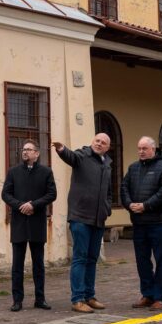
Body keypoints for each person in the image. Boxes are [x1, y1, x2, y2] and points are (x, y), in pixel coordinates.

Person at [54, 133, 113, 314]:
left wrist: (107, 209)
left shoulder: (107, 164)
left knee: (92, 259)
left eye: (103, 143)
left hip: (98, 219)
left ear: (107, 147)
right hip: (80, 217)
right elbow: (70, 156)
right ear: (92, 141)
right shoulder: (83, 155)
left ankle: (89, 296)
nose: (99, 144)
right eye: (97, 140)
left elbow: (108, 192)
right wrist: (61, 149)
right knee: (80, 258)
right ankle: (77, 299)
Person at [2, 139, 57, 312]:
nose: (25, 152)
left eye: (29, 149)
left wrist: (34, 204)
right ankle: (17, 300)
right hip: (19, 223)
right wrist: (20, 205)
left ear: (37, 153)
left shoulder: (46, 172)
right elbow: (5, 194)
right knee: (17, 265)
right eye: (23, 149)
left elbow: (51, 194)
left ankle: (40, 299)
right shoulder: (13, 172)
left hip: (36, 223)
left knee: (38, 264)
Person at [121, 136, 162, 311]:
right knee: (142, 260)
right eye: (139, 148)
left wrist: (146, 205)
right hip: (139, 223)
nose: (141, 152)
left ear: (153, 149)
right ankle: (148, 294)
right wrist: (129, 204)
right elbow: (124, 188)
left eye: (144, 148)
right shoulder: (133, 168)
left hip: (158, 222)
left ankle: (160, 297)